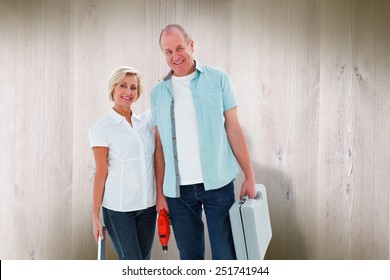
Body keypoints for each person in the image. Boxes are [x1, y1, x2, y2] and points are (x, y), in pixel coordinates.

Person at [151, 24, 256, 260]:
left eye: (179, 48)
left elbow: (234, 128)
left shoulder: (218, 79)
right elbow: (159, 149)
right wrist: (160, 194)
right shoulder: (158, 93)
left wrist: (249, 176)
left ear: (191, 45)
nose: (175, 56)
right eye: (168, 52)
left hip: (218, 185)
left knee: (225, 257)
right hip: (177, 193)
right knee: (190, 259)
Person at [88, 66, 156, 260]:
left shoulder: (146, 122)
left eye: (133, 87)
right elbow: (100, 173)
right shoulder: (101, 129)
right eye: (123, 86)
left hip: (148, 207)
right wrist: (95, 216)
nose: (128, 92)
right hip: (119, 210)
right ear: (113, 89)